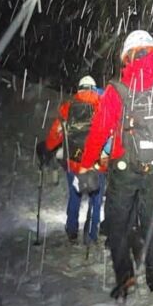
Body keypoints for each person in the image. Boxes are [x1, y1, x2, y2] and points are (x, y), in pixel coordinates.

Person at [77, 30, 153, 297]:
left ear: (127, 56)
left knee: (118, 222)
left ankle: (126, 275)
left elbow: (99, 130)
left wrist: (86, 164)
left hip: (123, 165)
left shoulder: (116, 89)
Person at [39, 76, 107, 244]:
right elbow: (108, 131)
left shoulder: (67, 107)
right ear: (93, 88)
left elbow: (56, 133)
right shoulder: (102, 105)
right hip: (96, 162)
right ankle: (91, 233)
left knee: (75, 194)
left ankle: (71, 230)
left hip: (73, 162)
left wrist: (47, 147)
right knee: (96, 198)